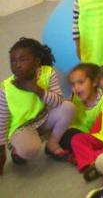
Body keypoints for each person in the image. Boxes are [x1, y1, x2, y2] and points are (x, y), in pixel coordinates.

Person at [0, 38, 75, 172]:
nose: (17, 65)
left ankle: (52, 144)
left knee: (68, 107)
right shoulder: (6, 89)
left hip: (42, 118)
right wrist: (1, 151)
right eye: (13, 61)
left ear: (36, 62)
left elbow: (58, 101)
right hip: (21, 128)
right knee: (30, 149)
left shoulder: (47, 72)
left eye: (23, 60)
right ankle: (18, 151)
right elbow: (2, 121)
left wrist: (35, 88)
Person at [60, 63, 103, 153]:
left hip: (94, 137)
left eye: (80, 82)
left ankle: (86, 153)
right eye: (73, 84)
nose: (76, 88)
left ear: (94, 82)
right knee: (62, 136)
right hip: (74, 134)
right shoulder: (74, 98)